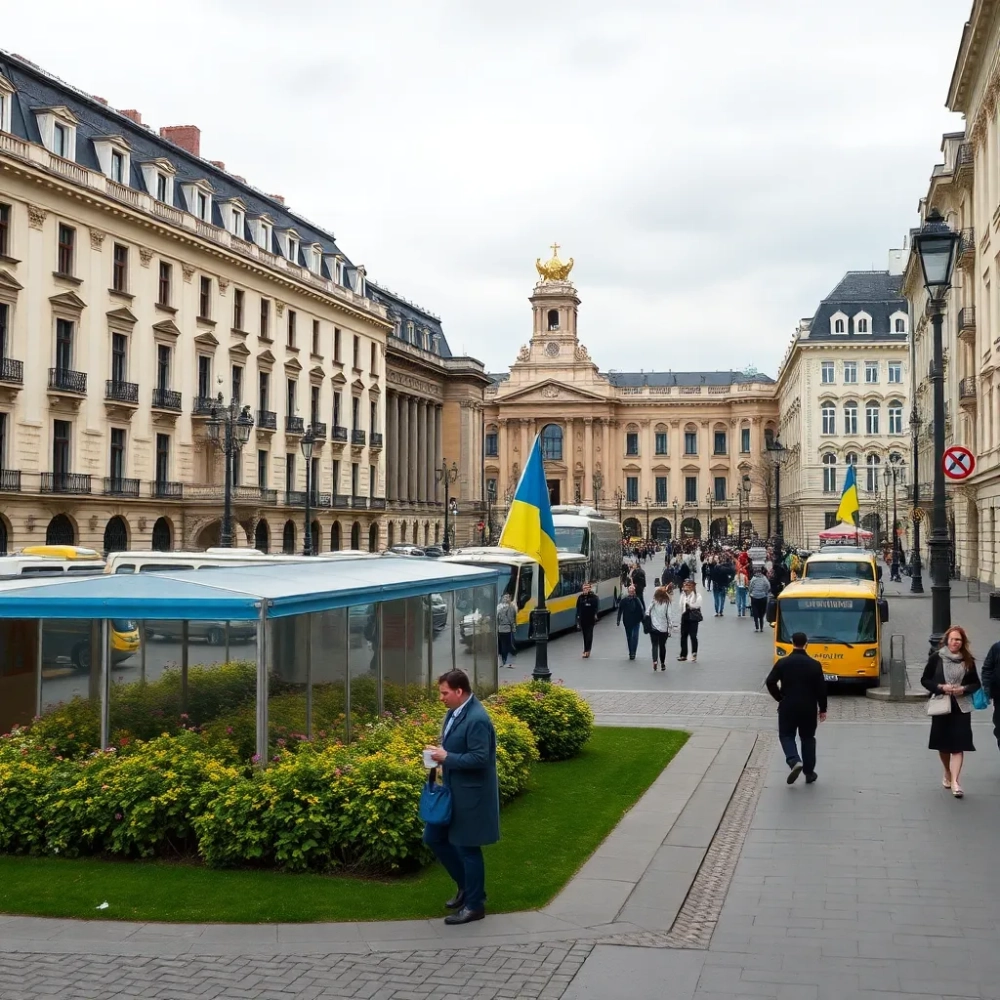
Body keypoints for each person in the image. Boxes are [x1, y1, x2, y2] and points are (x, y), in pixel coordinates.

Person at [424, 669, 499, 925]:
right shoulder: (455, 712)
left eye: (445, 693)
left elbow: (481, 758)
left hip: (471, 794)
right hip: (453, 790)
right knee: (433, 837)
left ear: (459, 691)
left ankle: (475, 906)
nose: (441, 698)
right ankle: (467, 888)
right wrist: (439, 753)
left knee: (467, 847)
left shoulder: (477, 718)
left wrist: (447, 758)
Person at [921, 626, 982, 798]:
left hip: (961, 707)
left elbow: (975, 683)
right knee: (943, 744)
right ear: (947, 640)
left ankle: (956, 781)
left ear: (963, 643)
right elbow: (925, 680)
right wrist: (940, 687)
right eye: (953, 639)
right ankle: (947, 771)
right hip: (942, 706)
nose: (955, 642)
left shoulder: (968, 660)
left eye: (959, 640)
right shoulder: (936, 658)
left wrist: (963, 689)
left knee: (959, 744)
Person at [765, 631, 827, 784]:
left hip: (788, 705)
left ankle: (794, 760)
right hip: (808, 707)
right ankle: (809, 772)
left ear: (792, 642)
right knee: (808, 738)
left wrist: (780, 698)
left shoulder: (783, 663)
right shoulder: (815, 664)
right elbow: (821, 689)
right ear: (807, 644)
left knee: (786, 735)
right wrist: (823, 708)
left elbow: (770, 682)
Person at [616, 584, 645, 661]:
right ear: (628, 592)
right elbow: (620, 610)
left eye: (633, 591)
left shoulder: (637, 599)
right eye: (630, 591)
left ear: (634, 592)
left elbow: (642, 609)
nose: (631, 593)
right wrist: (618, 620)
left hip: (636, 621)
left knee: (635, 636)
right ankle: (630, 651)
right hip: (627, 621)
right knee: (629, 637)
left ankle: (633, 652)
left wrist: (643, 619)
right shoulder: (624, 600)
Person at [677, 578, 702, 662]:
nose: (685, 587)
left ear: (692, 587)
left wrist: (690, 605)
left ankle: (694, 653)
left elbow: (697, 605)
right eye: (685, 586)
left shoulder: (697, 595)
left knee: (693, 636)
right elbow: (680, 605)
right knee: (683, 636)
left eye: (688, 586)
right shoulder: (683, 595)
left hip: (693, 617)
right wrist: (682, 611)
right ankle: (683, 654)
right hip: (685, 616)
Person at [648, 585, 671, 672]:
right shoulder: (667, 602)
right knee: (662, 646)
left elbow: (647, 611)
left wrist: (649, 618)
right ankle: (662, 663)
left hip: (653, 627)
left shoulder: (653, 601)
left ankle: (654, 661)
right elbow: (669, 616)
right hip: (663, 628)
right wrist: (670, 628)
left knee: (654, 645)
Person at [575, 581, 600, 659]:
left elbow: (596, 608)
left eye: (587, 588)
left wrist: (595, 615)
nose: (585, 590)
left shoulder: (594, 597)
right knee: (585, 635)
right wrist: (577, 619)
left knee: (589, 634)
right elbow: (578, 608)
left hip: (590, 619)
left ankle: (587, 650)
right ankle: (586, 649)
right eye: (584, 588)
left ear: (590, 589)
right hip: (582, 619)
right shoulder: (580, 597)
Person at [495, 592, 517, 669]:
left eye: (507, 597)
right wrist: (514, 628)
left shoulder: (498, 607)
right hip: (507, 629)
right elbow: (512, 619)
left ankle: (502, 660)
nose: (507, 598)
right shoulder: (511, 607)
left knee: (501, 644)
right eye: (506, 597)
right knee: (506, 645)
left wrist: (497, 628)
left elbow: (496, 619)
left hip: (500, 629)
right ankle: (505, 660)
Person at [748, 567, 771, 632]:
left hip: (754, 597)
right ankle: (761, 627)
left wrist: (750, 593)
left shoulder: (753, 578)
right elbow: (768, 586)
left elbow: (750, 587)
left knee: (755, 612)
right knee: (761, 612)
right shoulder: (764, 578)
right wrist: (765, 592)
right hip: (763, 597)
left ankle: (757, 627)